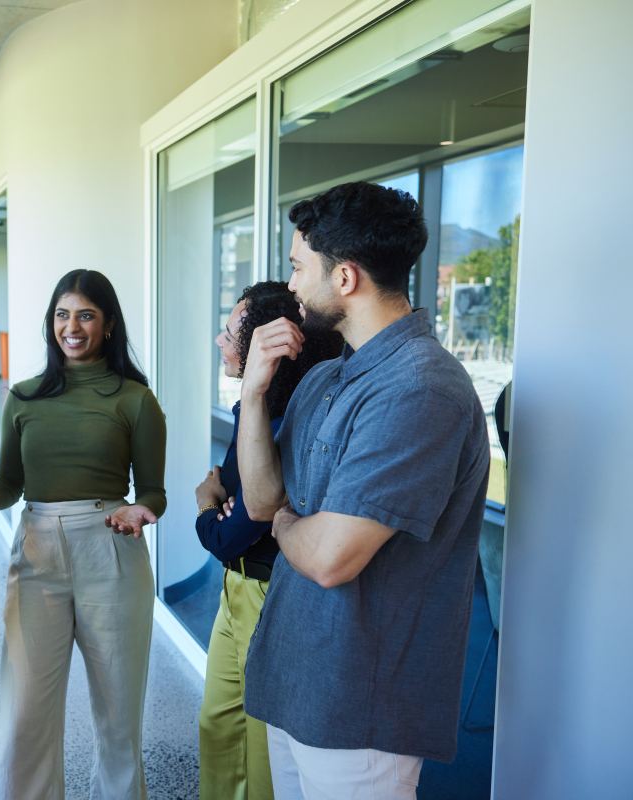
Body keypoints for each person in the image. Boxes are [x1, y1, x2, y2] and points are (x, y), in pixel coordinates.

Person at [237, 182, 490, 799]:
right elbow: (262, 503)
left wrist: (290, 528)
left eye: (299, 268)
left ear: (344, 277)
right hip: (297, 682)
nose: (291, 285)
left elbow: (329, 557)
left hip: (362, 708)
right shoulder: (327, 377)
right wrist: (251, 393)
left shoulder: (422, 390)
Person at [0, 269, 167, 800]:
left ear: (108, 324)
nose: (73, 326)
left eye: (86, 314)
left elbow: (153, 491)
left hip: (110, 545)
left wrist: (140, 510)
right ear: (50, 322)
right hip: (38, 550)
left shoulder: (135, 399)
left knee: (118, 716)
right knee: (24, 709)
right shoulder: (23, 397)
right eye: (63, 314)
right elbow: (10, 481)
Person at [194, 281, 342, 800]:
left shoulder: (278, 422)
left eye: (231, 332)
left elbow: (231, 533)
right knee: (217, 728)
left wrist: (206, 503)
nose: (220, 340)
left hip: (266, 594)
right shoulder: (250, 412)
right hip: (233, 595)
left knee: (261, 758)